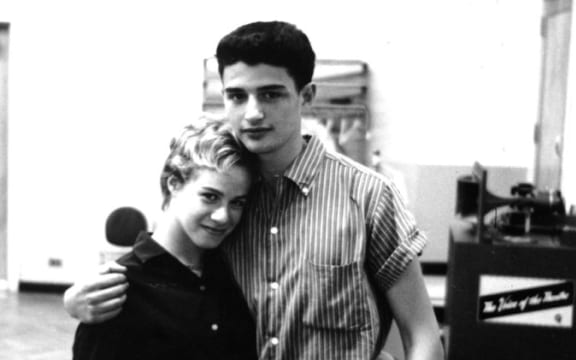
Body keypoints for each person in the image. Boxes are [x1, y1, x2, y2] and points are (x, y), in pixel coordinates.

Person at [65, 21, 444, 360]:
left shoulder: (369, 197)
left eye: (271, 94)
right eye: (237, 96)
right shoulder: (226, 204)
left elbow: (422, 334)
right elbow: (166, 265)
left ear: (306, 96)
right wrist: (76, 300)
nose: (252, 113)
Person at [72, 119, 258, 360]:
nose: (223, 216)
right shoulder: (118, 289)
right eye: (210, 196)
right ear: (174, 184)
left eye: (237, 203)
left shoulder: (232, 271)